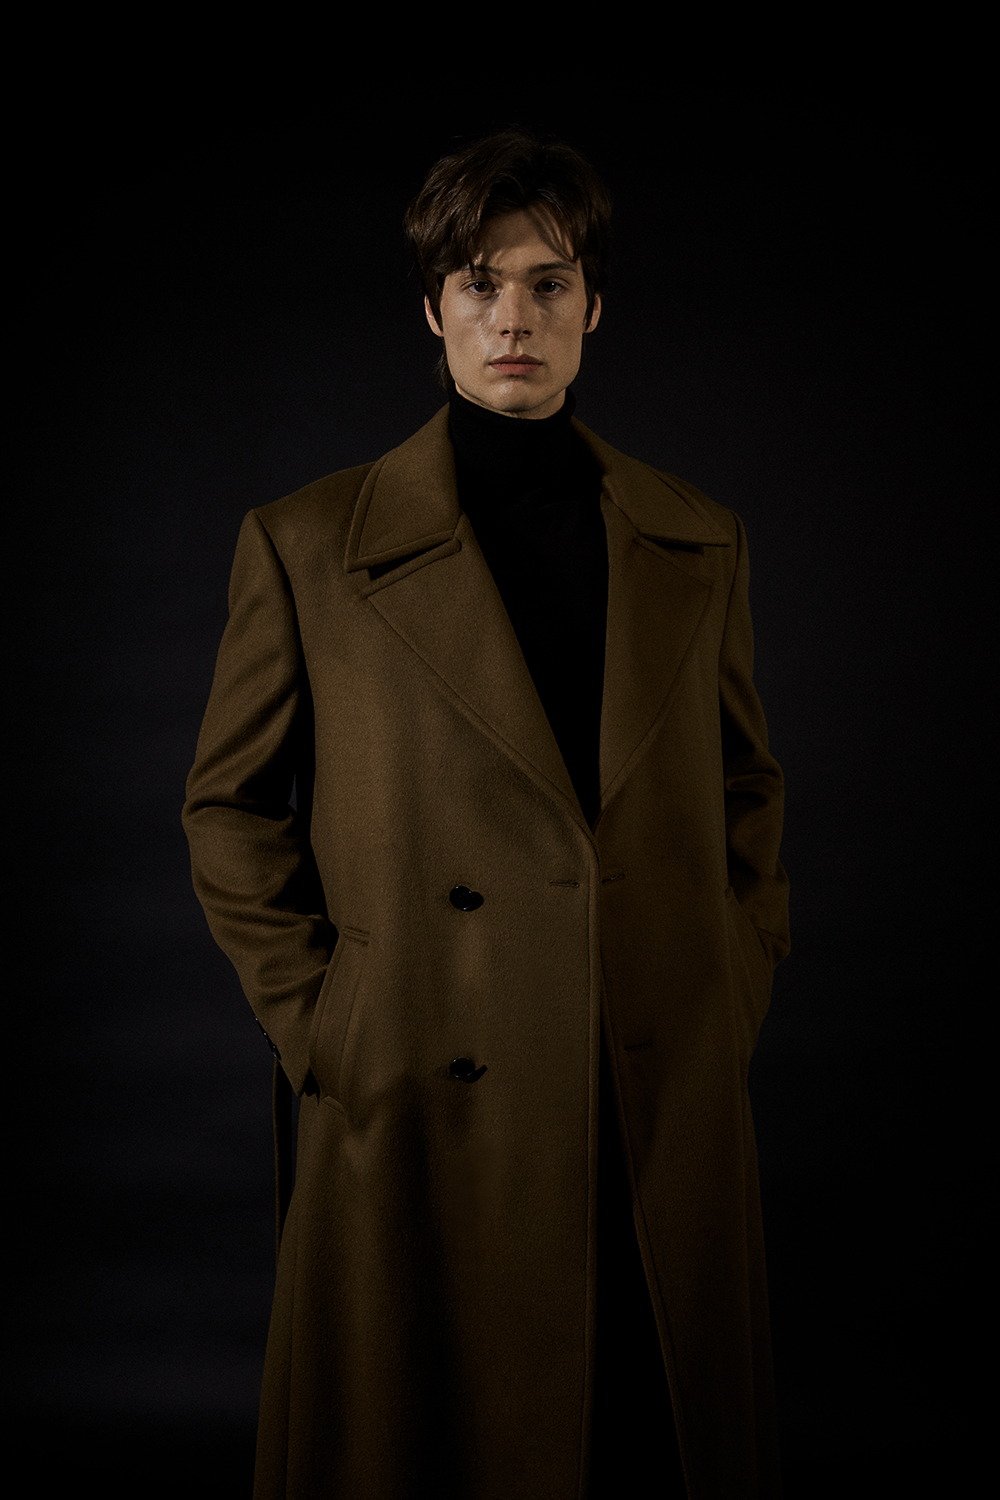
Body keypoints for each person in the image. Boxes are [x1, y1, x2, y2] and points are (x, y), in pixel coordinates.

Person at [183, 129, 790, 1500]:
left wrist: (731, 974)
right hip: (416, 1086)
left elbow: (747, 783)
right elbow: (227, 807)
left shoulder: (697, 537)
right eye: (478, 284)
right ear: (433, 312)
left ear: (593, 308)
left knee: (642, 1441)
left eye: (548, 283)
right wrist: (327, 1021)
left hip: (648, 1081)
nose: (513, 317)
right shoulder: (308, 543)